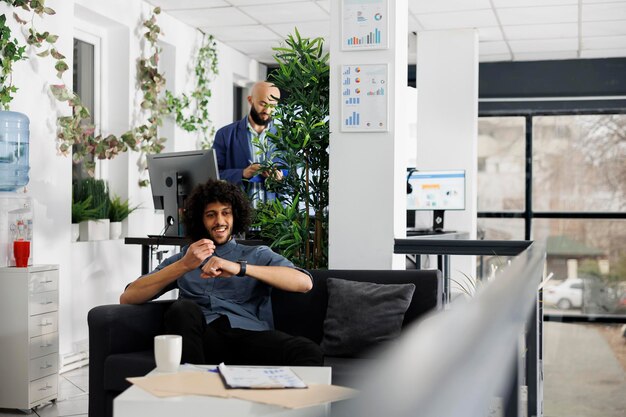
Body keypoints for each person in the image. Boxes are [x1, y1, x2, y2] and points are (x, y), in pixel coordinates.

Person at [120, 179, 323, 366]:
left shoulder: (256, 254)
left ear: (236, 217)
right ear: (200, 220)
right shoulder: (185, 259)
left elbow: (304, 282)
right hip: (203, 341)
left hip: (248, 336)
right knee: (182, 310)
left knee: (308, 351)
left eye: (226, 213)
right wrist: (184, 265)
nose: (220, 221)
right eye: (211, 215)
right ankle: (193, 391)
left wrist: (240, 268)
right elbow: (128, 297)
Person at [212, 81, 284, 204]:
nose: (267, 110)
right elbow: (214, 175)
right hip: (238, 213)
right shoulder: (225, 134)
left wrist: (280, 177)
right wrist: (242, 173)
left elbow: (294, 177)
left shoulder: (284, 137)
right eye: (263, 103)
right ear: (250, 100)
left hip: (275, 217)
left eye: (272, 105)